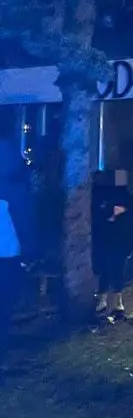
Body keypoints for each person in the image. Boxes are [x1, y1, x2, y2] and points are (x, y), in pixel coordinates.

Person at [0, 136, 35, 375]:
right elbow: (25, 224)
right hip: (8, 256)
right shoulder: (17, 189)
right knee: (4, 308)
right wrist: (30, 254)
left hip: (9, 255)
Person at [92, 170, 133, 321]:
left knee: (116, 270)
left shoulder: (123, 196)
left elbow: (131, 220)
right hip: (109, 240)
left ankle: (114, 303)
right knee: (108, 270)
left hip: (118, 241)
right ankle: (106, 302)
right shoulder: (103, 195)